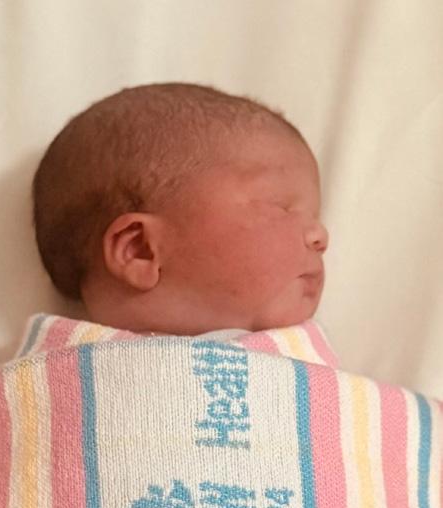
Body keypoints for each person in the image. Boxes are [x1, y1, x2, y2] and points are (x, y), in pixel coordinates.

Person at [32, 82, 329, 337]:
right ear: (140, 249)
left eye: (314, 215)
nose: (321, 235)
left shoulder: (316, 369)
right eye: (279, 205)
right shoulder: (45, 376)